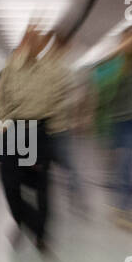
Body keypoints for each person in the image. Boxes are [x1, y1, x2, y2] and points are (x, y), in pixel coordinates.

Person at [0, 25, 66, 255]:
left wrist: (51, 138)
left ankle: (41, 235)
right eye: (27, 37)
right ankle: (28, 222)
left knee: (40, 185)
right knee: (9, 181)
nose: (32, 42)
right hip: (14, 129)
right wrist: (1, 126)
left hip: (39, 130)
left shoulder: (52, 70)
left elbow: (59, 104)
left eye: (37, 38)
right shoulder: (12, 66)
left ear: (42, 44)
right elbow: (1, 100)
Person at [100, 26, 132, 232]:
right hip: (118, 120)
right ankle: (122, 206)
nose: (130, 43)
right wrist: (119, 50)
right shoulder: (116, 65)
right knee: (123, 165)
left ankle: (126, 207)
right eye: (127, 39)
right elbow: (100, 72)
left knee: (130, 164)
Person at [43, 31, 87, 216]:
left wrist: (64, 109)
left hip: (58, 125)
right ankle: (70, 199)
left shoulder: (64, 69)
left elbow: (75, 96)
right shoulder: (46, 66)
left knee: (66, 164)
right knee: (58, 165)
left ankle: (76, 197)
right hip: (46, 125)